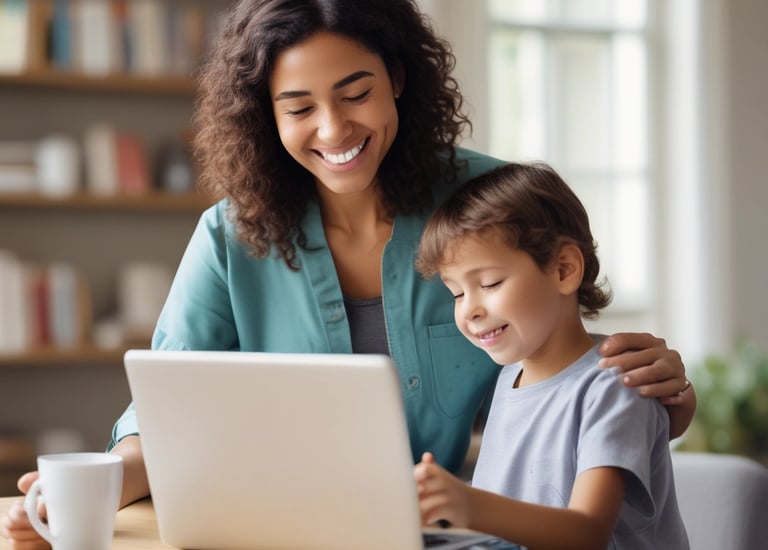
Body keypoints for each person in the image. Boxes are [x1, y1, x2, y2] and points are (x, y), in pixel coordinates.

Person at [1, 1, 695, 548]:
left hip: (457, 533)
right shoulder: (229, 233)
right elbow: (167, 414)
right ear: (265, 116)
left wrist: (666, 395)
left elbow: (562, 380)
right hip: (289, 533)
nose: (333, 129)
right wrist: (80, 496)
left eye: (355, 93)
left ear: (396, 78)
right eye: (299, 108)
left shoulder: (483, 206)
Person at [413, 162, 690, 548]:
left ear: (563, 269)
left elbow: (587, 533)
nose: (468, 310)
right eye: (457, 293)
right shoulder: (510, 377)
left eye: (489, 283)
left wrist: (468, 504)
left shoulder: (614, 383)